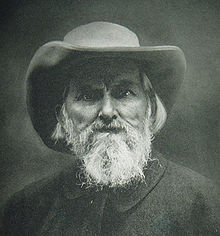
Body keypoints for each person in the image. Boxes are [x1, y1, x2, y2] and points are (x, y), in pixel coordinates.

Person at [2, 22, 220, 235]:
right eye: (88, 95)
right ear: (63, 115)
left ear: (151, 107)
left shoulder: (205, 205)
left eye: (124, 92)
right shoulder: (26, 210)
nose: (107, 111)